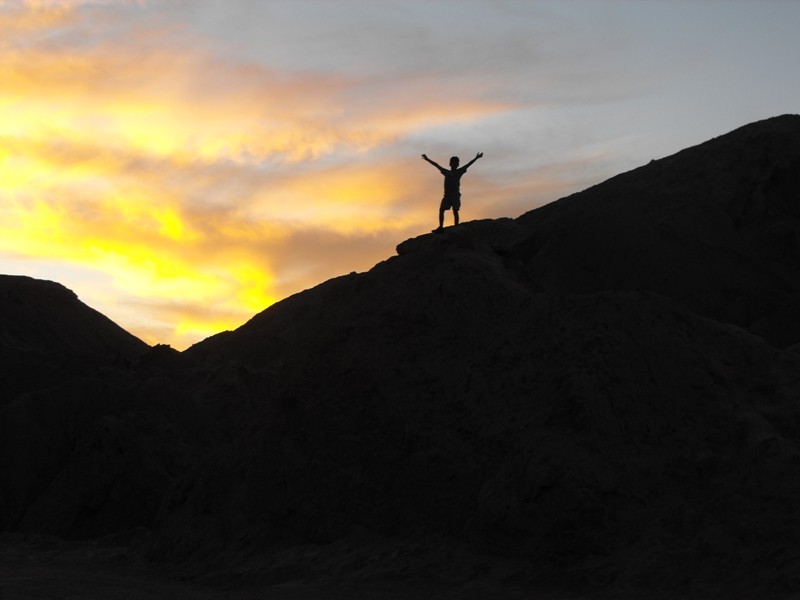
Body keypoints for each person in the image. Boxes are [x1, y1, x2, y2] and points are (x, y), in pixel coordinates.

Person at [421, 152, 483, 233]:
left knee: (455, 210)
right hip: (447, 195)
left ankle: (456, 226)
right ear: (450, 164)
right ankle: (441, 227)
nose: (455, 164)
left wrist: (476, 158)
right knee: (441, 210)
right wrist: (427, 159)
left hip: (455, 195)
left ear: (457, 164)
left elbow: (468, 164)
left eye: (456, 163)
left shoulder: (459, 171)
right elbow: (436, 165)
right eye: (453, 163)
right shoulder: (446, 172)